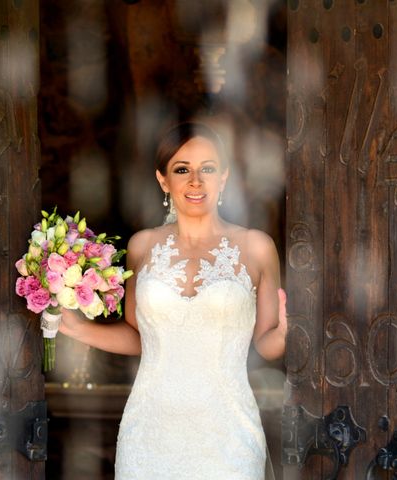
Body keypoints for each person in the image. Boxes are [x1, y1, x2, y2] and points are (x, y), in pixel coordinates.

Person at [59, 121, 287, 479]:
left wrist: (289, 332)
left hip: (229, 433)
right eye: (182, 170)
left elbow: (266, 344)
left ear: (224, 177)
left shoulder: (256, 247)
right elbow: (138, 337)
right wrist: (76, 328)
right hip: (149, 433)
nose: (196, 181)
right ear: (163, 180)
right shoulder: (141, 246)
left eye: (207, 169)